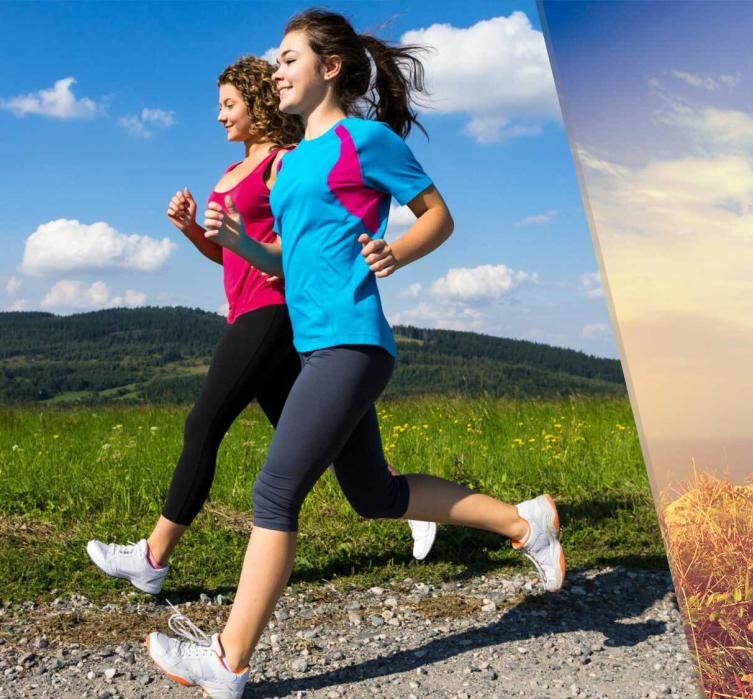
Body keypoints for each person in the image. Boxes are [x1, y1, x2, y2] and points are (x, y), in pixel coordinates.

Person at [143, 11, 563, 697]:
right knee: (374, 494)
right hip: (316, 347)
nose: (274, 71)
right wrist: (233, 238)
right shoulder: (291, 166)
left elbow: (438, 214)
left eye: (287, 59)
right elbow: (284, 261)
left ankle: (228, 658)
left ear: (329, 67)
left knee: (275, 492)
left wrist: (395, 250)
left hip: (353, 340)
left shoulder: (362, 141)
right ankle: (526, 522)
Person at [85, 56, 438, 595]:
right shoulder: (234, 171)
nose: (220, 114)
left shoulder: (284, 161)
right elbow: (232, 256)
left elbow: (291, 248)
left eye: (230, 103)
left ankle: (152, 558)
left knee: (205, 422)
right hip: (246, 305)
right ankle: (401, 498)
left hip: (272, 310)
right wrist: (192, 231)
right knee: (329, 445)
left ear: (258, 103)